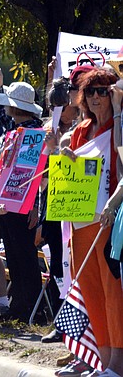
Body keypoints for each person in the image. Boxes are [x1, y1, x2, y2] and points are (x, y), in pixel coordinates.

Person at [61, 68, 123, 375]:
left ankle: (117, 363)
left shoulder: (119, 126)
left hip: (109, 220)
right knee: (90, 290)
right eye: (90, 91)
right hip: (80, 220)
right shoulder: (81, 130)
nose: (96, 97)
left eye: (103, 91)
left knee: (112, 291)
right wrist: (63, 155)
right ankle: (102, 360)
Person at [0, 74, 45, 323]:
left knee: (23, 255)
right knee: (15, 254)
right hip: (8, 201)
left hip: (23, 203)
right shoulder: (13, 129)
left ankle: (32, 308)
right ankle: (21, 306)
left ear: (14, 107)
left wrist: (35, 207)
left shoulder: (35, 134)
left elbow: (38, 174)